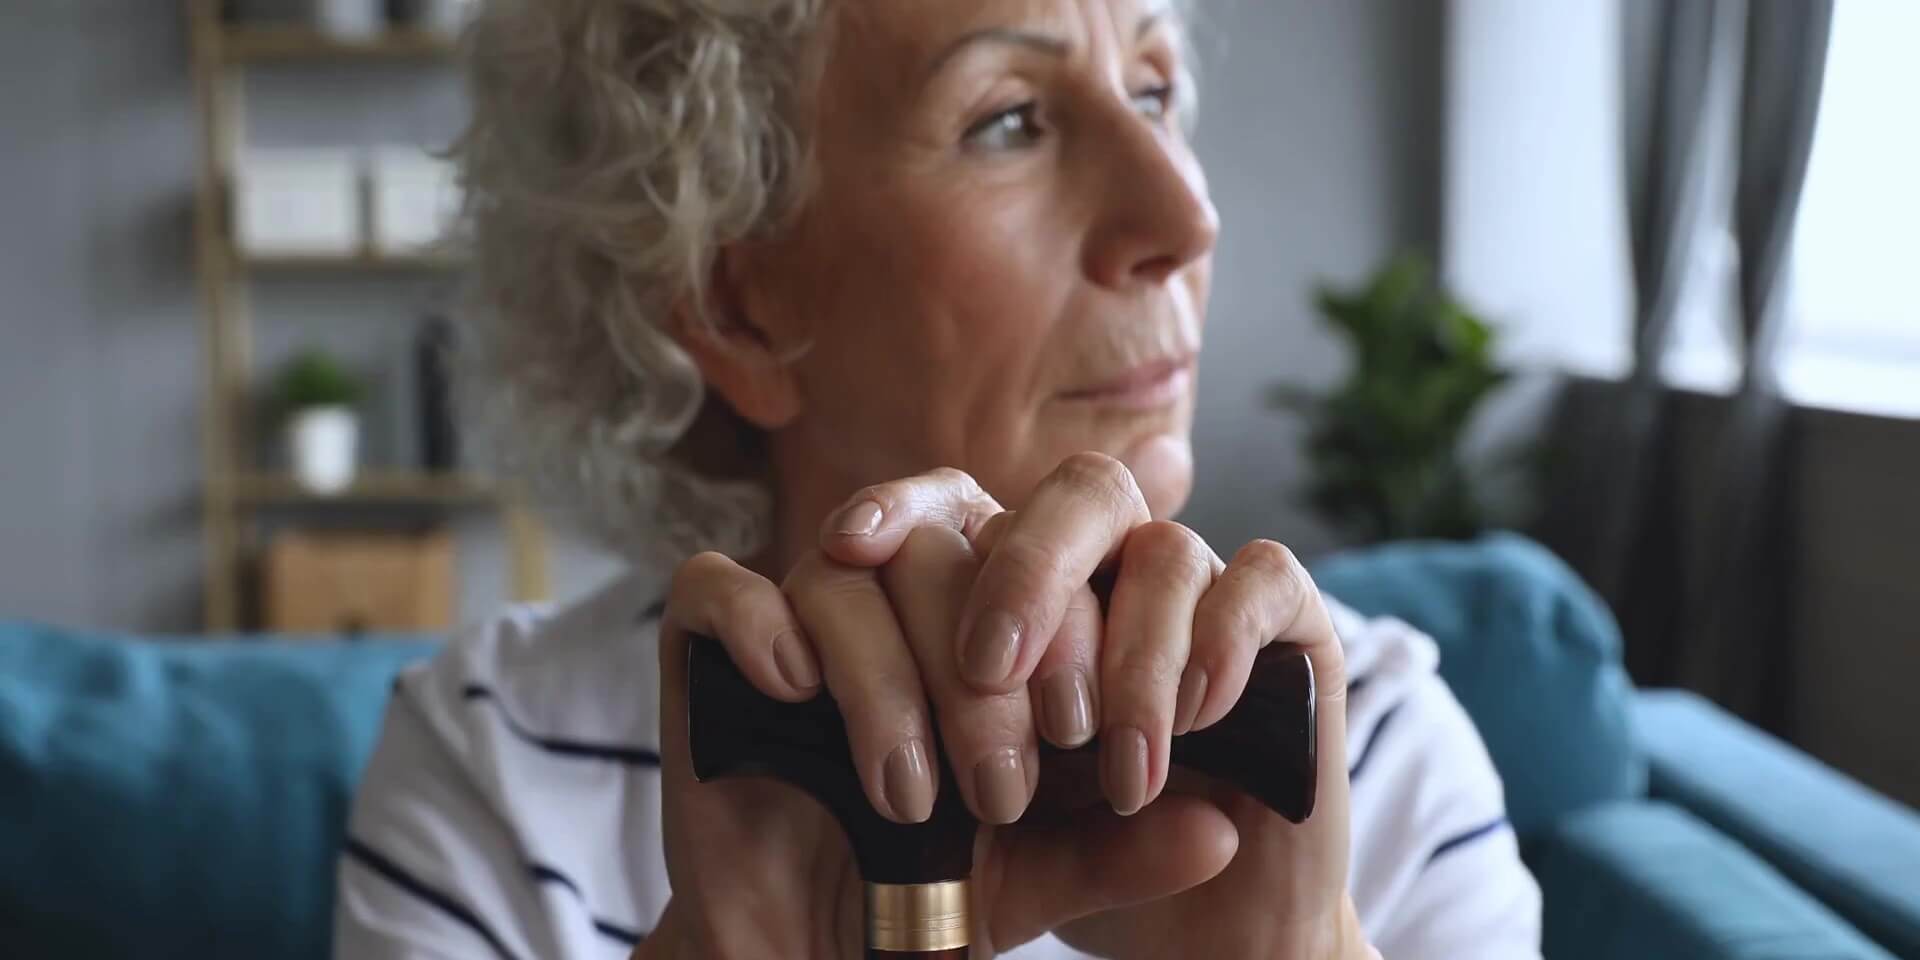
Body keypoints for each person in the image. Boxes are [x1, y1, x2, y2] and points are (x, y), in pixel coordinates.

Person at [334, 0, 1542, 956]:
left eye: (1155, 88)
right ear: (738, 310)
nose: (1184, 213)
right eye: (1009, 118)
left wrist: (1299, 958)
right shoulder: (493, 770)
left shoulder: (1354, 744)